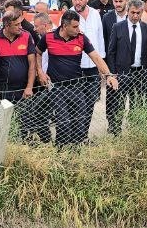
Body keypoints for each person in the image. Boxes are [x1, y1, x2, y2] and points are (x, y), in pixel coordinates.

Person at [41, 9, 118, 146]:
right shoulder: (48, 37)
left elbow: (96, 57)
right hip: (57, 89)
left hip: (76, 87)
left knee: (80, 123)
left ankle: (76, 153)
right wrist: (39, 71)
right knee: (64, 124)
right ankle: (61, 153)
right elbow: (36, 53)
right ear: (65, 26)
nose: (78, 29)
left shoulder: (81, 38)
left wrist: (109, 76)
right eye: (75, 26)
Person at [105, 0, 147, 133]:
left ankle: (135, 129)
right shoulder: (118, 27)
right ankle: (115, 129)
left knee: (136, 101)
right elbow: (111, 52)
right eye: (132, 12)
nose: (135, 16)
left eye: (138, 13)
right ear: (128, 11)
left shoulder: (146, 28)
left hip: (139, 72)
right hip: (121, 72)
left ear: (142, 12)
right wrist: (112, 73)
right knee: (118, 102)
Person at [0, 11, 41, 141]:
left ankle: (23, 150)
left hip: (23, 91)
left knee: (24, 125)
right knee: (3, 125)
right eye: (17, 24)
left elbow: (32, 64)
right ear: (7, 26)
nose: (21, 27)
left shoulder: (26, 36)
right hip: (3, 91)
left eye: (21, 23)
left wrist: (29, 87)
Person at [68, 0, 107, 116]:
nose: (77, 2)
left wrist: (102, 67)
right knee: (75, 105)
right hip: (75, 68)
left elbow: (100, 40)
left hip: (93, 68)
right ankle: (73, 136)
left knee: (90, 103)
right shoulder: (67, 16)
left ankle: (84, 136)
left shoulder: (95, 14)